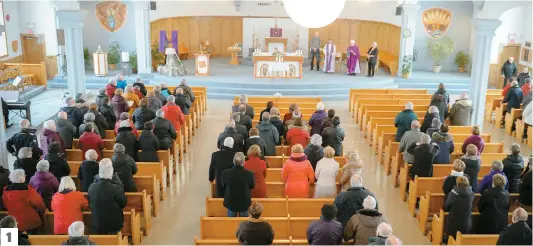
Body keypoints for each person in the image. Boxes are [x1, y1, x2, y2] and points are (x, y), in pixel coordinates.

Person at [88, 159, 127, 234]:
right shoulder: (115, 188)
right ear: (110, 174)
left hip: (97, 222)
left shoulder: (92, 187)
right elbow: (123, 203)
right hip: (114, 224)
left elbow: (90, 202)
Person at [222, 152, 254, 217]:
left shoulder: (225, 173)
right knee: (244, 225)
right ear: (243, 162)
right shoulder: (249, 174)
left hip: (231, 201)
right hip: (244, 202)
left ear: (233, 161)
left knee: (231, 223)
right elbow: (252, 186)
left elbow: (223, 185)